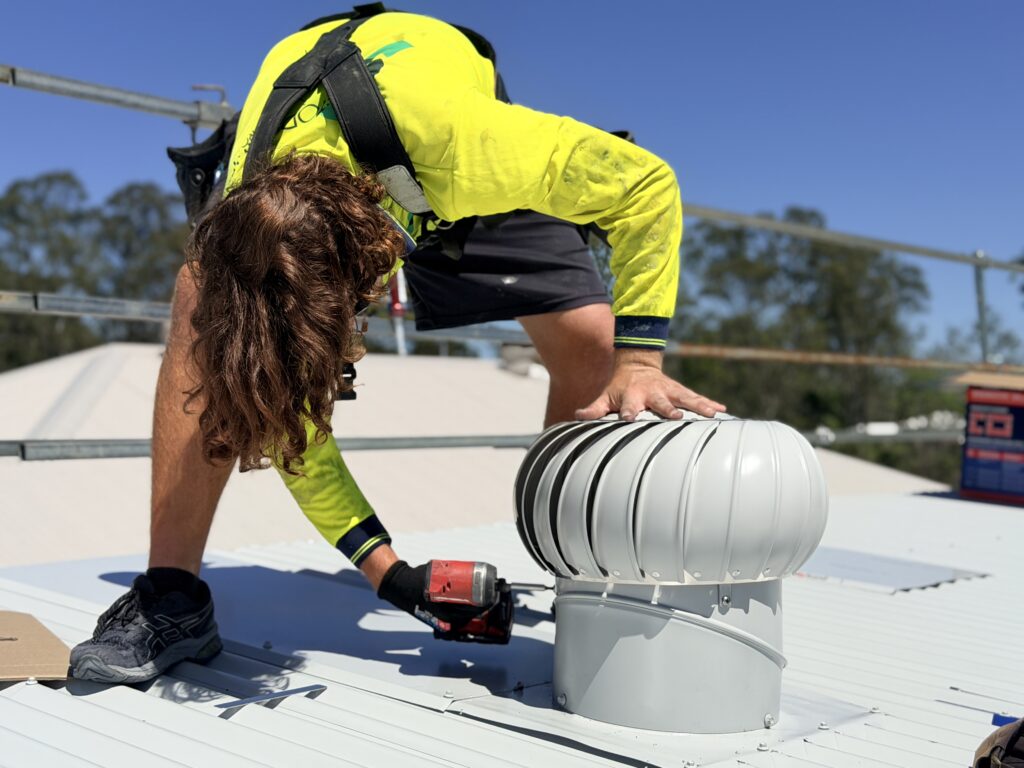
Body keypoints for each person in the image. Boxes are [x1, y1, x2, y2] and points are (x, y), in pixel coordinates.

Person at [69, 7, 725, 683]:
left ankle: (581, 587)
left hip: (429, 145)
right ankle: (170, 597)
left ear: (377, 258)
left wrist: (640, 359)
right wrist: (390, 575)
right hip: (324, 159)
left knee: (592, 339)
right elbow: (287, 408)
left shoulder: (469, 148)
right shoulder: (248, 195)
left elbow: (648, 186)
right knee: (202, 297)